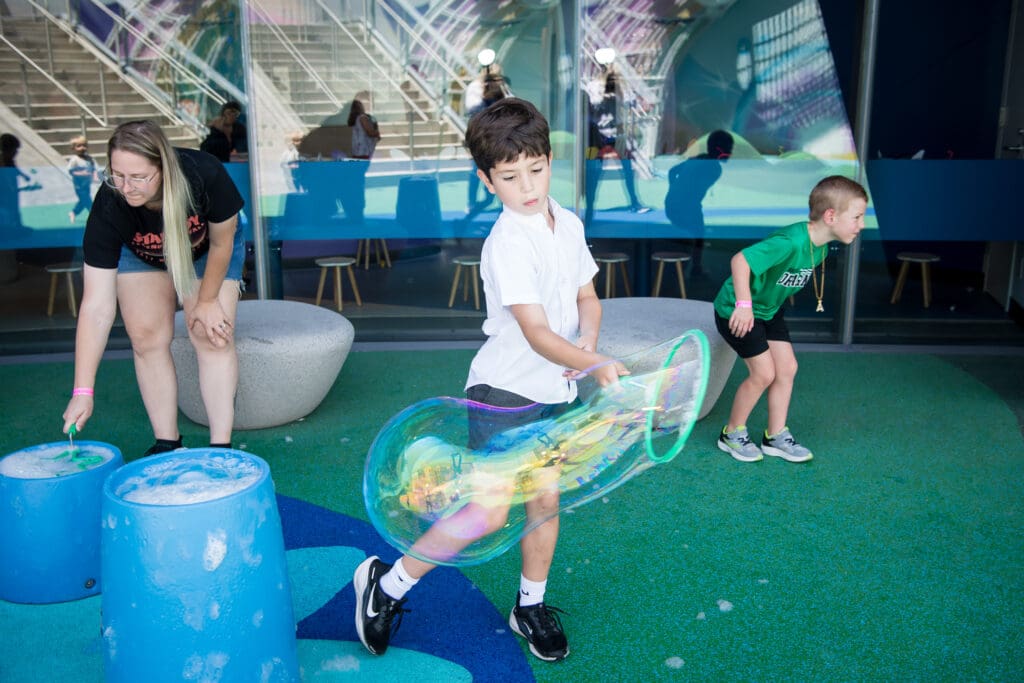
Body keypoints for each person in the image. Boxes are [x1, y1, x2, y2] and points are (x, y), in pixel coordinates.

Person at [353, 98, 628, 662]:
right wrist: (595, 365)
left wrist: (589, 347)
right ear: (487, 179)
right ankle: (384, 588)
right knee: (489, 512)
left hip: (555, 391)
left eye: (535, 169)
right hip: (505, 393)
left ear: (550, 161)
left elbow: (586, 296)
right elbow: (532, 329)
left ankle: (529, 606)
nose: (526, 185)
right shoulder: (506, 242)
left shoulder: (568, 223)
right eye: (509, 176)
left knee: (544, 503)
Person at [61, 120, 245, 457]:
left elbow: (223, 242)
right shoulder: (110, 205)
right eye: (117, 174)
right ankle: (167, 443)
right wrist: (82, 390)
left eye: (138, 177)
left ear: (162, 169)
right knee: (146, 336)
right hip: (141, 253)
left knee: (210, 334)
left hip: (207, 250)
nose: (126, 186)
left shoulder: (204, 173)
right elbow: (96, 307)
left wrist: (206, 301)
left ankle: (222, 448)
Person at [713, 175, 867, 463]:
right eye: (857, 217)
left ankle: (775, 436)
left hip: (768, 311)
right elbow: (741, 260)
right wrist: (744, 305)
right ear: (831, 216)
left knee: (787, 369)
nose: (862, 225)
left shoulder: (820, 247)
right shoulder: (791, 242)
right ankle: (731, 434)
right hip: (736, 311)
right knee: (764, 374)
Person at [664, 130, 735, 277]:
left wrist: (673, 192)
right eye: (729, 148)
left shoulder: (700, 159)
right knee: (698, 235)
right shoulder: (714, 168)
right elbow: (693, 187)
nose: (730, 153)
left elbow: (672, 172)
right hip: (686, 207)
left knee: (695, 234)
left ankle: (687, 267)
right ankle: (693, 269)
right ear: (719, 149)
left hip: (673, 204)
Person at [583, 71, 650, 226]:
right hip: (601, 138)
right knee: (596, 174)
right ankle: (591, 209)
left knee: (625, 170)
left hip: (612, 137)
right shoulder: (600, 93)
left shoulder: (615, 95)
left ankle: (632, 201)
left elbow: (624, 116)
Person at [67, 135, 97, 223]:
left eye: (84, 145)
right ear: (73, 148)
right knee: (87, 201)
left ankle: (73, 212)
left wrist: (95, 176)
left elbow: (93, 168)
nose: (82, 148)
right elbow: (71, 171)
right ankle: (95, 218)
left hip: (87, 185)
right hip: (79, 186)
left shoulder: (89, 158)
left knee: (83, 201)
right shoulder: (74, 160)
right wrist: (81, 173)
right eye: (79, 146)